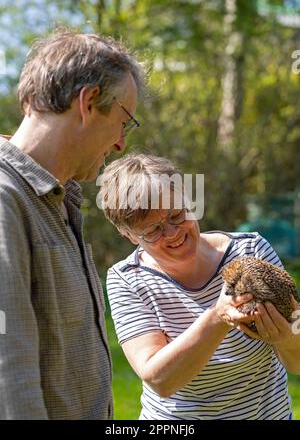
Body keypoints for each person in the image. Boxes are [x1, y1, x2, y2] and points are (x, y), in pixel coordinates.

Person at [0, 30, 145, 419]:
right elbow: (8, 374)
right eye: (124, 122)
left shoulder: (60, 200)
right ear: (89, 102)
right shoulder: (5, 198)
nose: (120, 145)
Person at [100, 153, 300, 420]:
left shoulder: (252, 250)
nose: (172, 233)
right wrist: (217, 317)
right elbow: (160, 380)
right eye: (153, 230)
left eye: (176, 215)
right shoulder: (127, 279)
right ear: (127, 234)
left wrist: (285, 337)